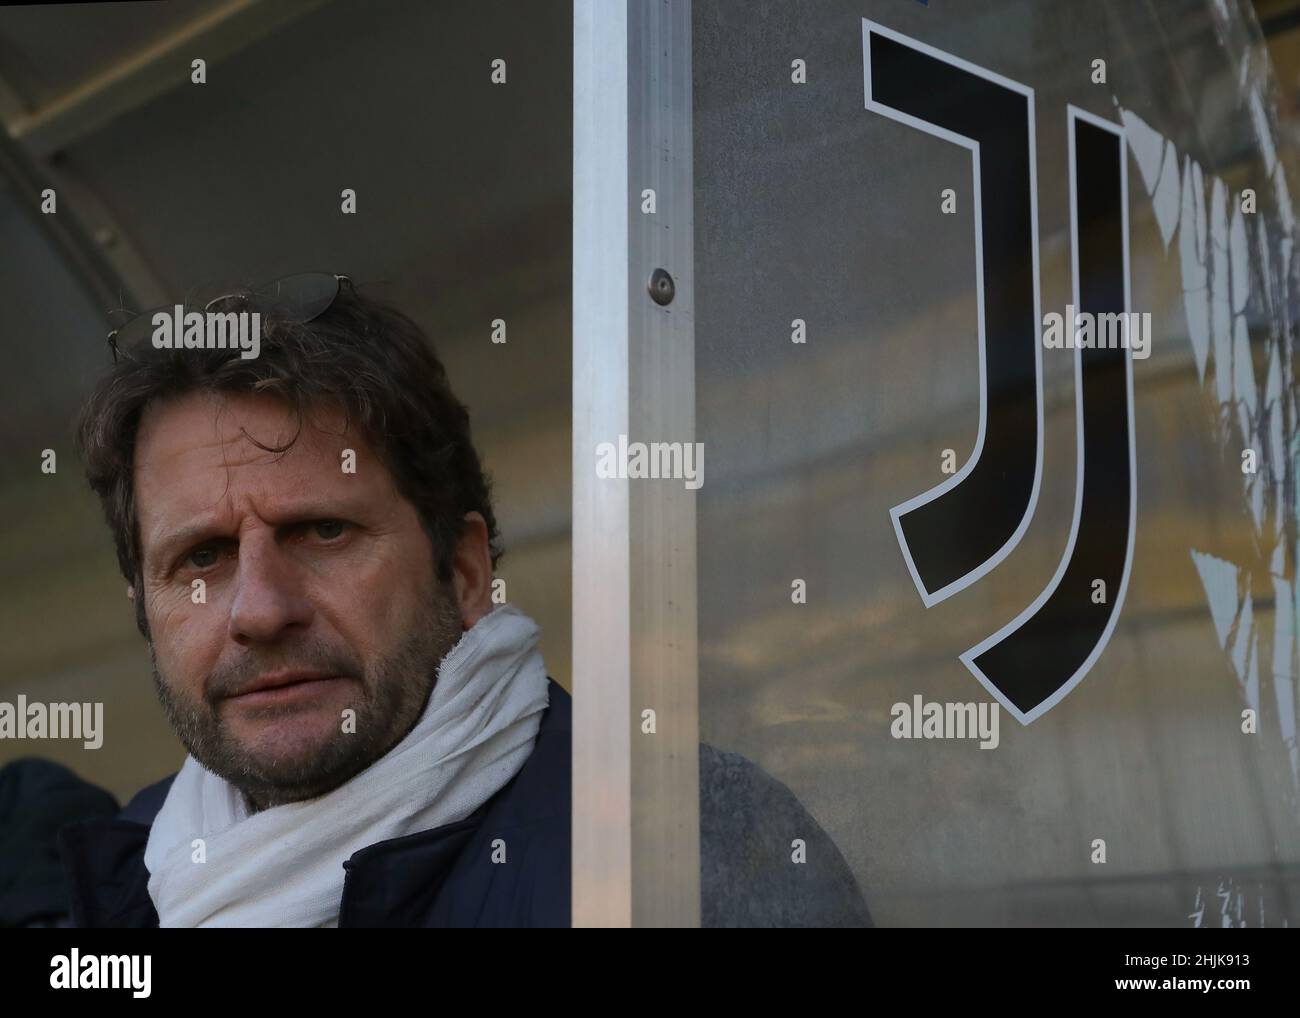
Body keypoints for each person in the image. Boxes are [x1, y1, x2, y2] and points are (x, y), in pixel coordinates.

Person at [59, 274, 871, 927]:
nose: (261, 610)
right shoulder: (126, 875)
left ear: (465, 570)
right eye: (201, 556)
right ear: (145, 608)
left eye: (323, 533)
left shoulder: (686, 848)